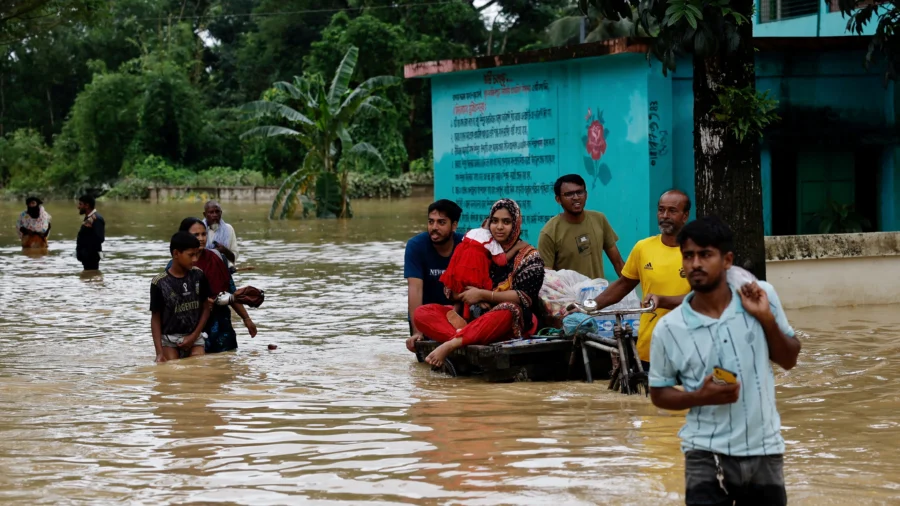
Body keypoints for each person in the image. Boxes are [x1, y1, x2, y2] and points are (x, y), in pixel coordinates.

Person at [649, 216, 801, 506]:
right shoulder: (669, 328)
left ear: (727, 260)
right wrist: (699, 396)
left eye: (705, 254)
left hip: (764, 448)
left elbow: (789, 359)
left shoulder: (761, 296)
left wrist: (765, 318)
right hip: (703, 451)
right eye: (688, 255)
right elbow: (659, 393)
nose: (695, 264)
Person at [412, 199, 545, 367]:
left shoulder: (529, 256)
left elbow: (524, 297)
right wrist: (467, 295)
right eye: (495, 221)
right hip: (473, 321)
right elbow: (450, 289)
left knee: (509, 310)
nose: (499, 227)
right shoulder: (478, 248)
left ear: (516, 224)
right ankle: (466, 336)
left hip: (508, 324)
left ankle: (452, 343)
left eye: (506, 222)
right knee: (423, 313)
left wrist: (483, 295)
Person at [591, 189, 692, 368]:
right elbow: (624, 284)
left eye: (672, 211)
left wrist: (662, 300)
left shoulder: (699, 252)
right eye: (661, 210)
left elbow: (705, 299)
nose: (665, 215)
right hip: (650, 348)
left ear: (685, 216)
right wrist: (589, 306)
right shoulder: (643, 248)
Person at [177, 218, 258, 353]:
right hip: (191, 328)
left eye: (204, 234)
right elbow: (172, 300)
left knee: (225, 366)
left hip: (221, 327)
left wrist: (246, 319)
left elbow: (230, 291)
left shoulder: (218, 258)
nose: (201, 238)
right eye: (196, 235)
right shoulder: (178, 263)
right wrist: (200, 303)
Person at [538, 174, 625, 279]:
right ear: (558, 199)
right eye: (569, 194)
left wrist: (632, 293)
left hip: (600, 294)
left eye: (579, 192)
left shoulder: (599, 219)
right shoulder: (549, 233)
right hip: (569, 295)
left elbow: (618, 263)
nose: (576, 198)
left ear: (586, 195)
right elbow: (548, 278)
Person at [404, 200, 464, 352]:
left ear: (454, 225)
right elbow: (415, 289)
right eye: (431, 222)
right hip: (426, 318)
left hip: (456, 314)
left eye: (441, 222)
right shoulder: (416, 246)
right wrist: (417, 332)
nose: (434, 228)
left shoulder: (465, 246)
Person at [150, 231, 215, 362]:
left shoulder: (199, 275)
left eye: (196, 255)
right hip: (169, 339)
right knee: (173, 368)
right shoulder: (159, 283)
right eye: (191, 255)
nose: (195, 260)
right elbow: (155, 319)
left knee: (198, 366)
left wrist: (193, 336)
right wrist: (159, 353)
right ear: (176, 254)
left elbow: (206, 308)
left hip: (195, 337)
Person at [203, 200, 238, 269]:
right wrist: (214, 253)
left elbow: (234, 257)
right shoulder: (199, 229)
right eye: (211, 212)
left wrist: (225, 251)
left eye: (217, 212)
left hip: (223, 270)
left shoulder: (228, 229)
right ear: (205, 214)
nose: (215, 215)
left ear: (221, 213)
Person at [77, 194, 106, 271]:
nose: (78, 207)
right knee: (89, 278)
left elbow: (100, 238)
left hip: (91, 256)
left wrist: (86, 252)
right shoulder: (89, 218)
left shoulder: (96, 219)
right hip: (87, 257)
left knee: (92, 278)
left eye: (80, 204)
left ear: (87, 205)